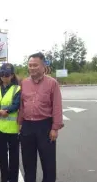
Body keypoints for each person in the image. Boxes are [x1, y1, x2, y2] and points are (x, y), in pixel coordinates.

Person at [18, 52, 64, 182]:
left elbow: (57, 106)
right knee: (28, 163)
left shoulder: (52, 83)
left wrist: (55, 128)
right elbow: (22, 105)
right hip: (27, 126)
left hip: (45, 126)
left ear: (43, 66)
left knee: (48, 163)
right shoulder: (24, 83)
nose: (32, 68)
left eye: (35, 65)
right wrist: (19, 124)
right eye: (30, 65)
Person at [0, 63, 21, 182]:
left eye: (7, 74)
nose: (4, 77)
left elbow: (17, 104)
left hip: (12, 128)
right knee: (2, 156)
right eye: (2, 74)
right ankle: (4, 177)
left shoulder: (17, 89)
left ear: (12, 75)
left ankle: (13, 179)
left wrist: (6, 111)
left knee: (14, 156)